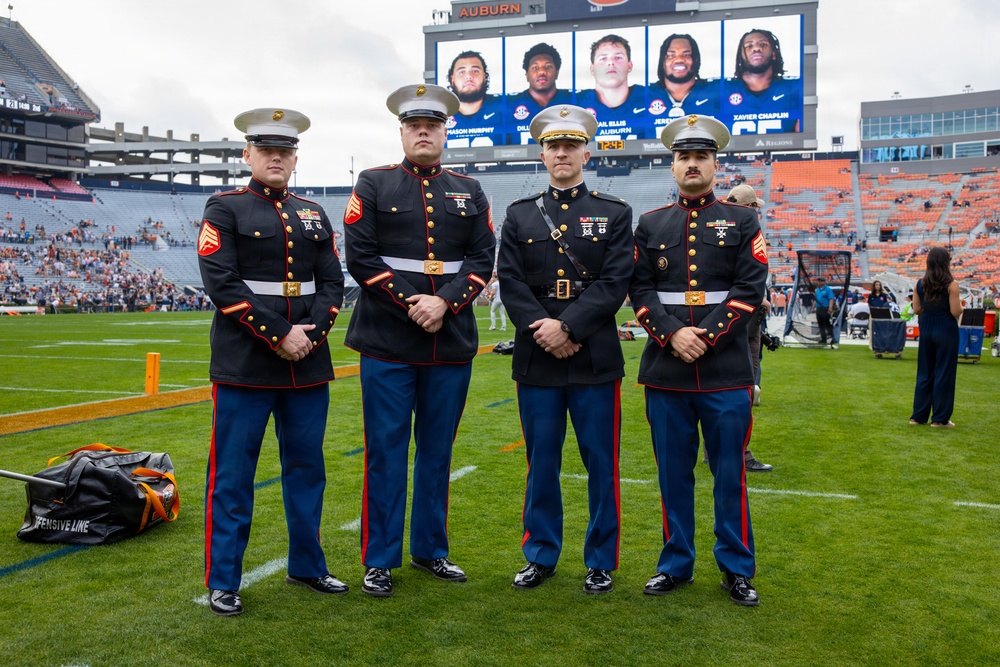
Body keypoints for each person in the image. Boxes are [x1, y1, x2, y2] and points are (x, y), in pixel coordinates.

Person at [343, 84, 496, 597]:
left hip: (449, 341)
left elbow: (481, 259)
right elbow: (361, 259)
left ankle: (431, 549)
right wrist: (416, 302)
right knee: (385, 451)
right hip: (388, 340)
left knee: (437, 452)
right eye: (414, 125)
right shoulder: (372, 182)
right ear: (402, 131)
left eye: (432, 125)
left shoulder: (470, 190)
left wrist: (445, 303)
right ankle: (379, 558)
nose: (423, 132)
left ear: (445, 130)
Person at [198, 108, 347, 617]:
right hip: (246, 364)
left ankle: (308, 565)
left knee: (307, 471)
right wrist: (280, 334)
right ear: (248, 155)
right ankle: (224, 580)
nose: (277, 158)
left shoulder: (313, 212)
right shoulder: (224, 208)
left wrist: (311, 335)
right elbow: (222, 283)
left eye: (285, 151)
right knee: (233, 476)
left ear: (296, 157)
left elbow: (333, 282)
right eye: (266, 150)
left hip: (307, 363)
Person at [629, 114, 767, 605]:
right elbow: (639, 288)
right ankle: (676, 564)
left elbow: (750, 290)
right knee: (673, 475)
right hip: (667, 371)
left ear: (715, 164)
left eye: (700, 156)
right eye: (683, 156)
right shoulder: (649, 225)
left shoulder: (744, 220)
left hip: (725, 370)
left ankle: (736, 567)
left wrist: (703, 336)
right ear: (672, 165)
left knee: (729, 474)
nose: (692, 164)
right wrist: (672, 334)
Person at [498, 104, 634, 594]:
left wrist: (569, 328)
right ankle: (541, 553)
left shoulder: (614, 213)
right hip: (537, 356)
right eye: (553, 145)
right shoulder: (518, 215)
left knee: (602, 462)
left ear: (585, 152)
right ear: (542, 153)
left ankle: (600, 559)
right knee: (541, 465)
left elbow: (616, 281)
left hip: (594, 355)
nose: (562, 153)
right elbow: (510, 281)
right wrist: (544, 329)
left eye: (571, 145)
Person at [725, 183, 772, 472]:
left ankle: (714, 450)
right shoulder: (745, 231)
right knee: (744, 387)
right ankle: (741, 453)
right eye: (755, 206)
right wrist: (760, 299)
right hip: (745, 319)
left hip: (734, 318)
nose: (757, 211)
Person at [909, 247, 962, 428]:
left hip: (927, 328)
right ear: (946, 263)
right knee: (944, 374)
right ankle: (940, 419)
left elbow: (916, 309)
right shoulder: (952, 285)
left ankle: (918, 416)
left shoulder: (919, 284)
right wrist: (961, 306)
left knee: (925, 373)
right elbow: (955, 311)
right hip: (946, 329)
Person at [723, 28, 801, 134]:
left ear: (774, 53)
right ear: (740, 56)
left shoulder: (794, 88)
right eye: (749, 46)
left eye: (763, 44)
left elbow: (802, 144)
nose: (756, 48)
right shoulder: (722, 89)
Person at [577, 34, 648, 141]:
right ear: (592, 68)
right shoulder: (577, 103)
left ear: (630, 65)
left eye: (618, 57)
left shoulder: (649, 97)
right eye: (603, 58)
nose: (611, 62)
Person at [648, 34, 721, 134]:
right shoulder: (644, 95)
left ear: (696, 59)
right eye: (671, 55)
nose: (679, 60)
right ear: (662, 62)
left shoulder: (717, 91)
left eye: (686, 55)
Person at [507, 43, 573, 145]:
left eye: (548, 66)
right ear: (527, 75)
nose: (542, 72)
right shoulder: (509, 105)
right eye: (535, 67)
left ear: (557, 72)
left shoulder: (574, 101)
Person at [445, 50, 503, 148]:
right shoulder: (440, 114)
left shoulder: (504, 107)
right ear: (452, 79)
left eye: (475, 71)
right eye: (462, 72)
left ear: (484, 76)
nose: (469, 77)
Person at [813, 276, 836, 347]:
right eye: (818, 281)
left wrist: (830, 308)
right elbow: (815, 299)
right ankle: (823, 339)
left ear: (824, 282)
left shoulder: (828, 289)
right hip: (819, 308)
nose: (819, 282)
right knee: (820, 324)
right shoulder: (817, 290)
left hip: (825, 308)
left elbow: (831, 299)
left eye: (821, 281)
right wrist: (813, 307)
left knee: (827, 324)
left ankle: (833, 337)